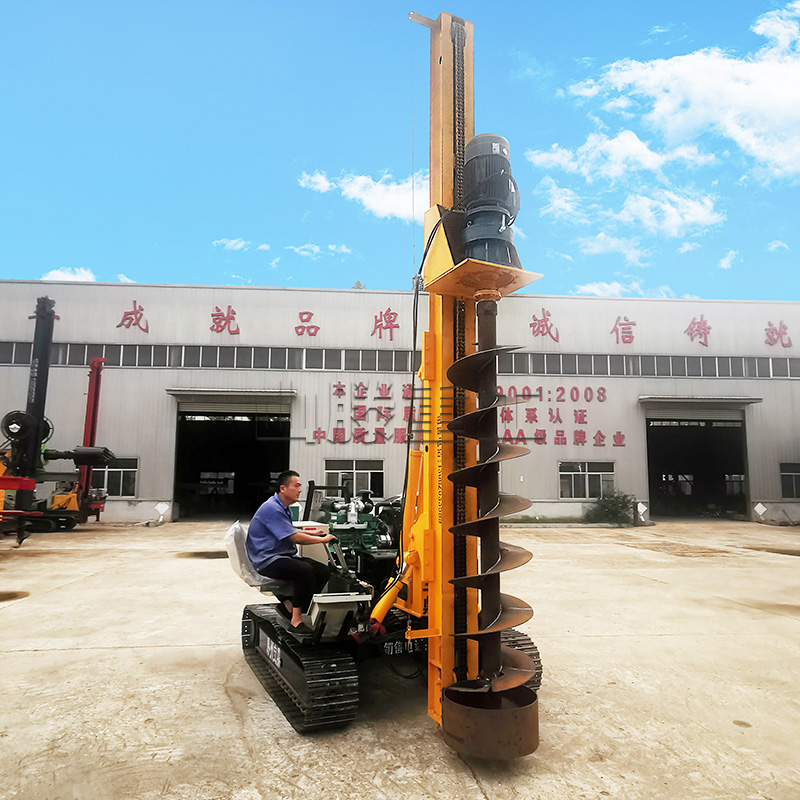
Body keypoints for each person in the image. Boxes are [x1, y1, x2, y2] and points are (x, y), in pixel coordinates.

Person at [246, 470, 335, 630]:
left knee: (322, 571)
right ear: (283, 488)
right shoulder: (272, 508)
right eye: (297, 486)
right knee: (305, 571)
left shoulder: (282, 507)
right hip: (267, 560)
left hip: (279, 556)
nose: (300, 490)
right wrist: (323, 539)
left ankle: (291, 605)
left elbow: (289, 530)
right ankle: (296, 618)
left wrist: (312, 533)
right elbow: (294, 537)